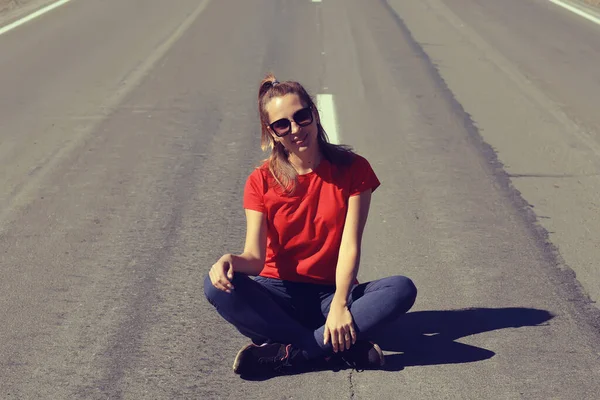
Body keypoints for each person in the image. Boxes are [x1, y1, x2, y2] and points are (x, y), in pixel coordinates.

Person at [204, 74, 417, 377]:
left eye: (301, 117)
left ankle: (293, 352)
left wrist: (341, 305)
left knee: (400, 289)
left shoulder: (353, 169)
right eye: (282, 124)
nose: (296, 129)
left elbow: (350, 245)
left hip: (330, 293)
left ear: (314, 115)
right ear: (273, 133)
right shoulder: (260, 180)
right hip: (278, 295)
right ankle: (335, 347)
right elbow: (254, 258)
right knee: (215, 286)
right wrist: (229, 260)